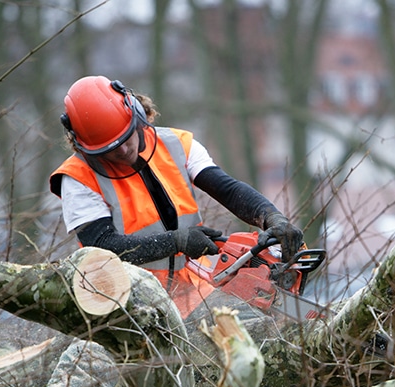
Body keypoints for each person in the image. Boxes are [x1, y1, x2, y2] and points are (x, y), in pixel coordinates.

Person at [50, 75, 303, 318]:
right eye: (112, 149)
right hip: (126, 304)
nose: (125, 150)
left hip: (195, 291)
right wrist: (177, 241)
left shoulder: (176, 144)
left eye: (126, 137)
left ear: (136, 113)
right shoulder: (77, 178)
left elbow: (227, 188)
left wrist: (271, 217)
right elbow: (103, 247)